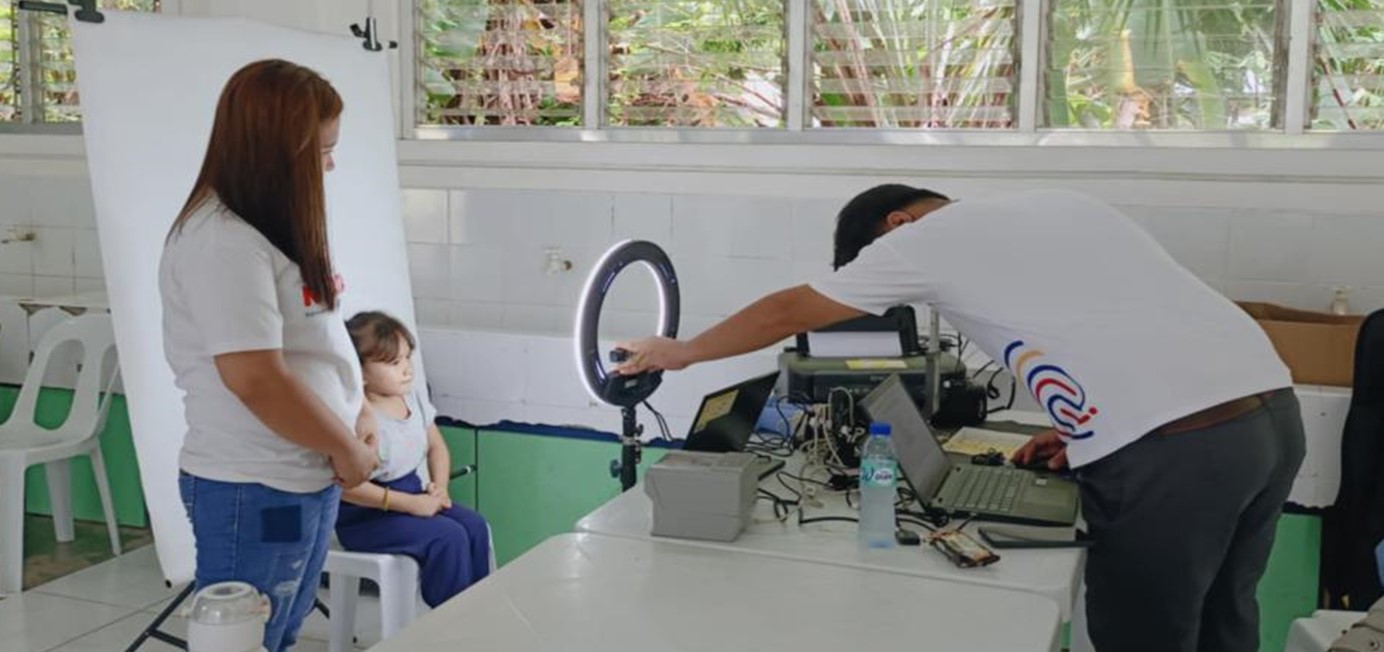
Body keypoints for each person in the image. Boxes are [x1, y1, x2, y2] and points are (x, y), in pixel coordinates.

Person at [615, 185, 1305, 652]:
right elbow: (1124, 317)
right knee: (1224, 621)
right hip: (1269, 416)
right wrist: (1085, 428)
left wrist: (683, 352)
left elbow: (787, 312)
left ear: (897, 225)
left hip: (1180, 451)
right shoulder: (1054, 204)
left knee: (1144, 637)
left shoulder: (923, 240)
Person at [160, 59, 379, 652]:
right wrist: (343, 446)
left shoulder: (274, 226)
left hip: (305, 473)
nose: (329, 166)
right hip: (253, 486)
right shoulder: (222, 242)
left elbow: (319, 343)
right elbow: (255, 379)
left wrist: (356, 415)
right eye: (321, 151)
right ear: (275, 149)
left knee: (280, 627)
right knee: (245, 638)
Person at [334, 311, 491, 607]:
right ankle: (448, 619)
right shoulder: (356, 416)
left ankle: (475, 612)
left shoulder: (413, 399)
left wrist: (439, 487)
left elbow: (437, 448)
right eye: (394, 363)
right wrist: (411, 504)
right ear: (360, 371)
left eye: (407, 358)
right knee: (448, 537)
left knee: (474, 526)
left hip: (412, 495)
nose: (407, 369)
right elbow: (346, 487)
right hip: (365, 515)